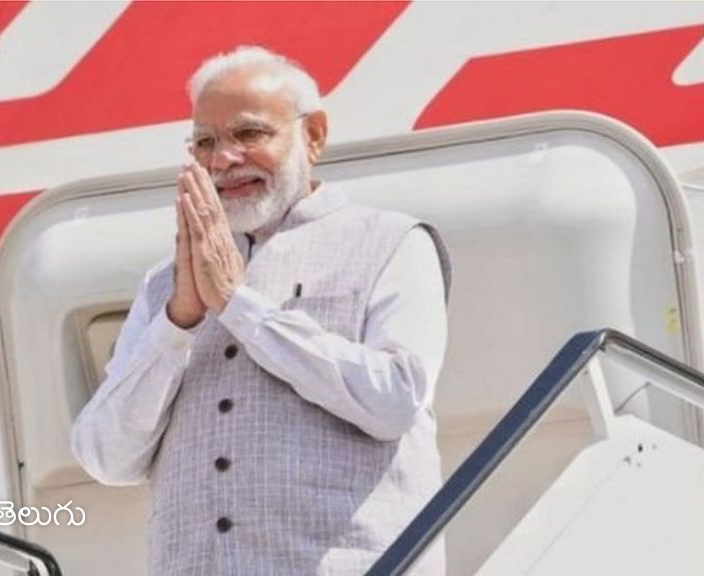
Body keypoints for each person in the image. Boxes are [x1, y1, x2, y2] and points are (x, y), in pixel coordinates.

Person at [71, 46, 451, 575]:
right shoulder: (166, 284)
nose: (224, 159)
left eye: (248, 133)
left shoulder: (391, 243)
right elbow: (105, 458)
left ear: (313, 134)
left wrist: (240, 306)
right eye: (205, 142)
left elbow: (395, 400)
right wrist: (178, 323)